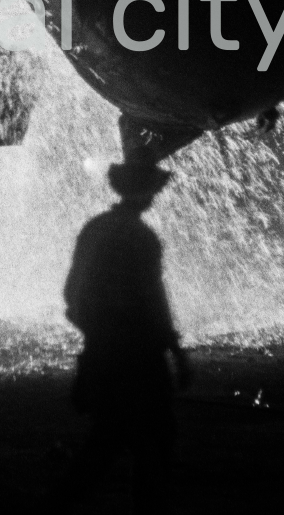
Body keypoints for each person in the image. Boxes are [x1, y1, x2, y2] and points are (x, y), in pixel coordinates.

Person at [59, 161, 191, 512]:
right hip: (141, 359)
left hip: (102, 354)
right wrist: (175, 352)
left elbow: (72, 294)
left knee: (106, 437)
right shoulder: (143, 238)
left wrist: (95, 334)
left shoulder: (94, 229)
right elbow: (153, 299)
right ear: (149, 194)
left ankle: (64, 500)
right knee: (155, 441)